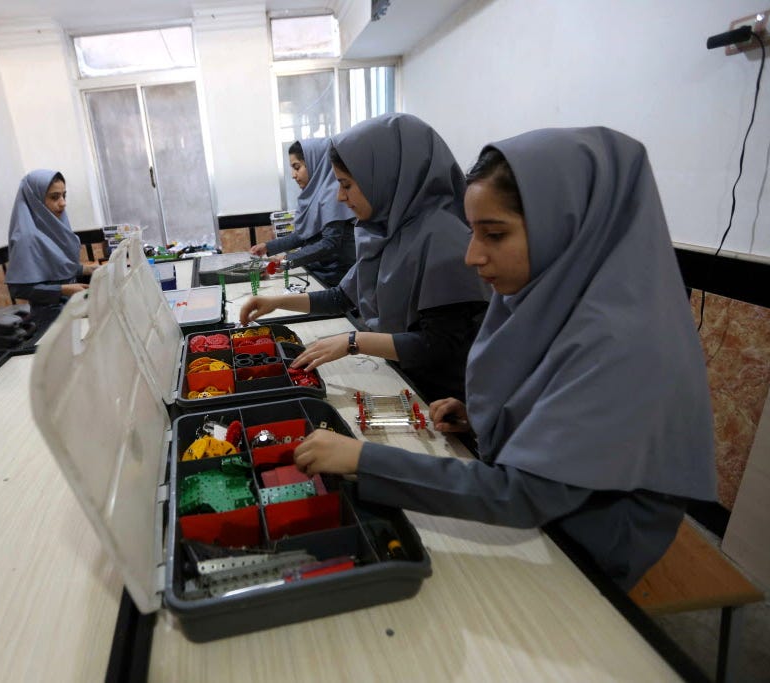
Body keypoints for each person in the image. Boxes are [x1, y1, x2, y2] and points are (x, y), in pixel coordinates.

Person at [291, 127, 717, 591]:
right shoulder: (552, 294)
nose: (472, 256)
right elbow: (561, 410)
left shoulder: (627, 343)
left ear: (567, 224)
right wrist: (483, 418)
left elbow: (523, 495)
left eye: (494, 234)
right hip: (541, 510)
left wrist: (365, 459)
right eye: (475, 232)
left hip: (585, 548)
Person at [241, 113, 490, 401]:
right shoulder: (386, 229)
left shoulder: (444, 238)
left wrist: (353, 341)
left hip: (438, 397)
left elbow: (438, 346)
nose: (340, 198)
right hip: (402, 376)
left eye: (346, 185)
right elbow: (342, 297)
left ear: (384, 177)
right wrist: (275, 303)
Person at [249, 139, 356, 286]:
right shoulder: (314, 194)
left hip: (335, 278)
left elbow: (329, 243)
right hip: (316, 270)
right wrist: (268, 247)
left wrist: (287, 260)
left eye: (297, 167)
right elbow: (303, 235)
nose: (293, 175)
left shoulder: (333, 194)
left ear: (314, 164)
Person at [5, 169, 97, 324]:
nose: (63, 203)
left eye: (64, 195)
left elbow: (55, 268)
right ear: (36, 200)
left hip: (70, 309)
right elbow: (18, 289)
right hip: (50, 321)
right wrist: (63, 290)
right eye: (55, 197)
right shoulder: (26, 238)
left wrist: (86, 270)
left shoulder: (52, 228)